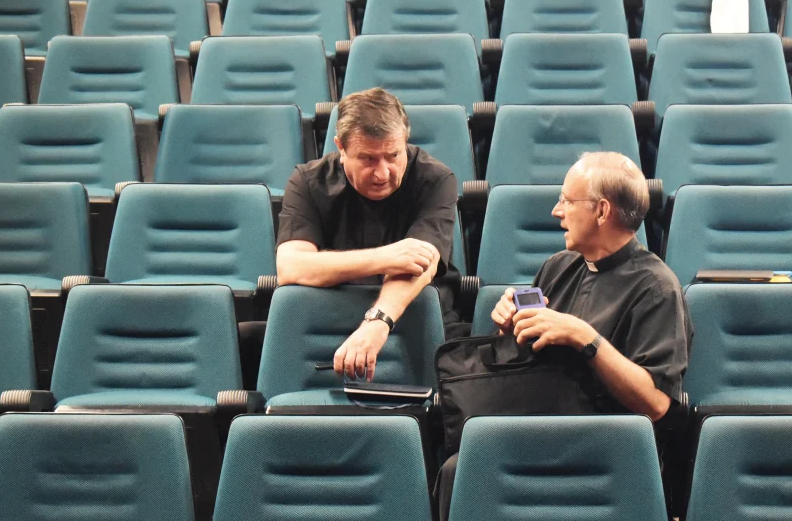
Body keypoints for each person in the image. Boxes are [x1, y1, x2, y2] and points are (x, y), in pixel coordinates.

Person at [491, 152, 693, 421]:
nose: (556, 211)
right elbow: (522, 368)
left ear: (601, 211)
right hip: (542, 423)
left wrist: (584, 337)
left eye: (566, 201)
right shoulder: (557, 266)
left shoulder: (657, 288)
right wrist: (509, 329)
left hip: (607, 443)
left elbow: (655, 404)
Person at [276, 88, 458, 381]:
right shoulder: (307, 182)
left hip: (413, 320)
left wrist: (377, 321)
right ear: (340, 148)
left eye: (393, 155)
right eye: (368, 159)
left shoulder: (435, 179)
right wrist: (386, 258)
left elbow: (421, 264)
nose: (383, 173)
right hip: (327, 326)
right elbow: (290, 266)